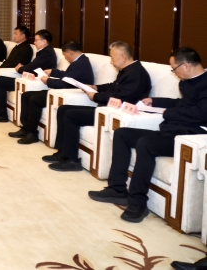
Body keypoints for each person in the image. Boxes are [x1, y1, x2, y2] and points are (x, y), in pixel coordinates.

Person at [89, 47, 207, 223]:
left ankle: (138, 203)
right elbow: (182, 104)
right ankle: (117, 189)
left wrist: (167, 113)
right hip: (171, 131)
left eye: (174, 69)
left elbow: (201, 113)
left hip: (190, 136)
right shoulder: (187, 82)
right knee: (122, 134)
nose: (174, 73)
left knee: (146, 143)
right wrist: (155, 101)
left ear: (187, 65)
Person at [47, 41, 151, 172]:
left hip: (115, 114)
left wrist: (96, 96)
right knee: (63, 109)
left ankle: (71, 160)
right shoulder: (127, 70)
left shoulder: (137, 73)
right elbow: (113, 86)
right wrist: (96, 87)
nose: (111, 62)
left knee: (70, 115)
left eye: (112, 57)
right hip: (106, 109)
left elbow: (122, 96)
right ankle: (62, 152)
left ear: (123, 57)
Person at [9, 40, 94, 144]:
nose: (65, 58)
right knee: (26, 95)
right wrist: (52, 71)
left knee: (34, 99)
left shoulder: (80, 64)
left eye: (65, 55)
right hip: (62, 91)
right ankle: (25, 128)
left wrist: (48, 81)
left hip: (68, 94)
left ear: (70, 53)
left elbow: (65, 83)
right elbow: (67, 75)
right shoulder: (79, 61)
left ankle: (32, 133)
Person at [0, 29, 57, 123]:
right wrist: (22, 68)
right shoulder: (43, 51)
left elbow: (33, 66)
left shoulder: (47, 53)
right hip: (29, 79)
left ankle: (1, 114)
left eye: (36, 40)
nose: (34, 42)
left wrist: (20, 68)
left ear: (44, 41)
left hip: (36, 83)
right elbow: (32, 65)